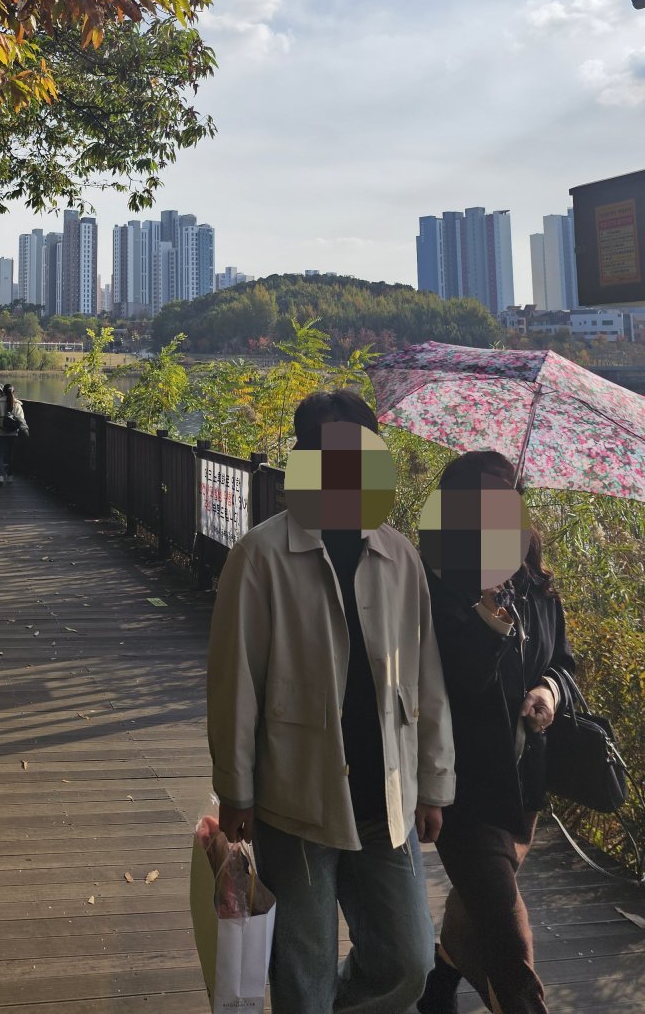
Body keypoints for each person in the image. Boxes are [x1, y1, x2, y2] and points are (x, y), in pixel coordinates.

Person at [207, 388, 455, 1014]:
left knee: (410, 961)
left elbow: (426, 679)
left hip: (387, 795)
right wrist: (235, 790)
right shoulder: (261, 555)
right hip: (296, 795)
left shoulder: (400, 556)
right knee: (301, 970)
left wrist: (434, 785)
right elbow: (234, 679)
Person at [417, 451, 574, 1014]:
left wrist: (548, 692)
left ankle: (440, 978)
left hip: (524, 786)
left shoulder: (535, 587)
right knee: (509, 937)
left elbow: (563, 663)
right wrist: (488, 616)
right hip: (464, 787)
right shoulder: (433, 584)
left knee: (483, 898)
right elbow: (455, 680)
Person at [0, 381, 29, 486]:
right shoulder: (17, 405)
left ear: (2, 392)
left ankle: (1, 477)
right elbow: (21, 420)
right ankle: (10, 476)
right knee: (10, 455)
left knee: (0, 455)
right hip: (12, 434)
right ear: (13, 392)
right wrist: (25, 430)